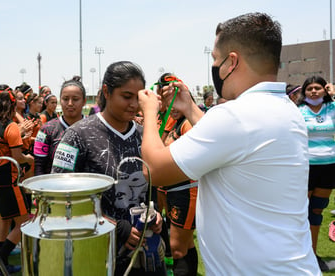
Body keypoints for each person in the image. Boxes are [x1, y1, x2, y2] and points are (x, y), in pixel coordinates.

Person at [138, 12, 320, 274]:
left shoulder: (235, 115)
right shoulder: (285, 109)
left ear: (231, 62)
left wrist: (151, 110)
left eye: (215, 58)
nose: (214, 65)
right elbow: (232, 146)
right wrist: (190, 108)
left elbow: (154, 170)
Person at [51, 61, 166, 276]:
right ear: (107, 91)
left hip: (145, 255)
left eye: (137, 97)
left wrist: (154, 214)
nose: (133, 104)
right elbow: (59, 197)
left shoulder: (145, 135)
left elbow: (153, 184)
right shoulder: (77, 136)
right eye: (126, 96)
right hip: (98, 254)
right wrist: (113, 225)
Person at [0, 87, 34, 275]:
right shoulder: (10, 126)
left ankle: (1, 263)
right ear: (13, 106)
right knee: (24, 223)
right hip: (6, 182)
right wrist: (29, 160)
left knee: (4, 221)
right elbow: (18, 156)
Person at [297, 75, 335, 271]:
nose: (313, 91)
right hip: (306, 167)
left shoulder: (332, 108)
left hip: (329, 167)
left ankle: (313, 253)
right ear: (304, 91)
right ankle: (298, 255)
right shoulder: (298, 111)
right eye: (310, 88)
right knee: (301, 212)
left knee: (317, 210)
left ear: (325, 90)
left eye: (318, 88)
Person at [162, 104, 198, 276]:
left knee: (177, 248)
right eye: (170, 106)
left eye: (176, 104)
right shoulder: (177, 123)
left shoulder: (187, 124)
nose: (172, 109)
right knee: (186, 243)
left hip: (187, 190)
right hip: (175, 189)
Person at [34, 76, 86, 175]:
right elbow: (39, 166)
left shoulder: (94, 128)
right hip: (55, 188)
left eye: (75, 99)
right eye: (65, 99)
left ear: (84, 101)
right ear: (60, 100)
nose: (70, 103)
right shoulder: (46, 130)